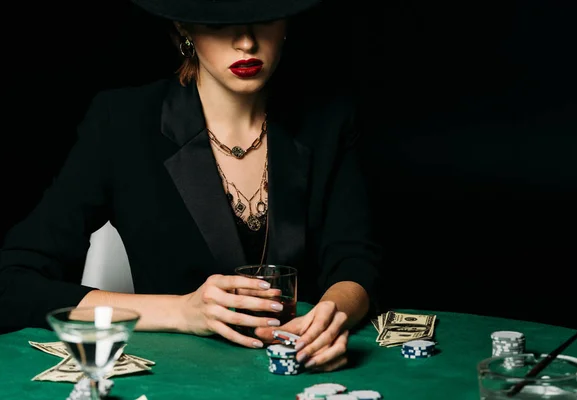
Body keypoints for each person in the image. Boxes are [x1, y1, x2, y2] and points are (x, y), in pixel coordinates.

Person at [0, 0, 382, 372]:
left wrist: (330, 319)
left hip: (300, 371)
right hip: (177, 378)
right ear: (184, 28)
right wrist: (181, 311)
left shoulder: (328, 119)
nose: (246, 42)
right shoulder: (121, 124)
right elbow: (12, 284)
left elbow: (355, 259)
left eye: (264, 17)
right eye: (218, 24)